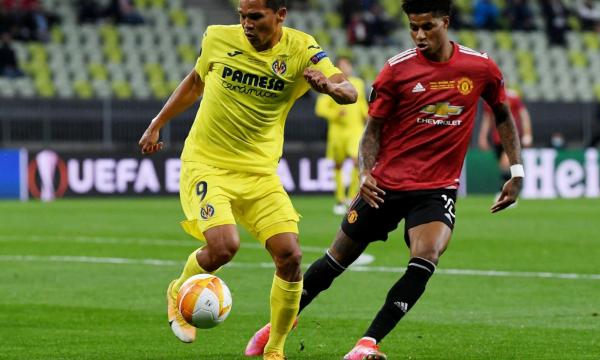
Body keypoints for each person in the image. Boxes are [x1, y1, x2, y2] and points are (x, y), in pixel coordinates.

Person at [244, 0, 524, 359]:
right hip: (385, 185)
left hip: (436, 188)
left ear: (446, 22)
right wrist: (366, 173)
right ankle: (278, 324)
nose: (419, 35)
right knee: (334, 262)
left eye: (427, 27)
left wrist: (516, 171)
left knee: (428, 255)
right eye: (413, 27)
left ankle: (367, 344)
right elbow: (372, 130)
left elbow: (502, 113)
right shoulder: (396, 71)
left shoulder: (479, 67)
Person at [137, 0, 357, 359]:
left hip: (260, 173)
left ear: (280, 15)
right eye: (242, 16)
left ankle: (274, 350)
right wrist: (156, 123)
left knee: (290, 255)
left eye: (254, 17)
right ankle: (179, 292)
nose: (246, 24)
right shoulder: (218, 38)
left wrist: (331, 89)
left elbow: (348, 90)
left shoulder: (303, 48)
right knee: (224, 247)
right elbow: (195, 82)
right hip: (208, 164)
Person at [314, 56, 368, 215]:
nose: (346, 68)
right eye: (342, 66)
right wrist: (336, 113)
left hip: (355, 130)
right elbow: (320, 109)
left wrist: (367, 114)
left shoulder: (357, 83)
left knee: (355, 161)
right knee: (338, 165)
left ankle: (351, 197)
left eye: (348, 65)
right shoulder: (330, 83)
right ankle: (339, 198)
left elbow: (361, 103)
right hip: (337, 133)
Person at [478, 87, 532, 190]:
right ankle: (512, 189)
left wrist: (527, 134)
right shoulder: (490, 99)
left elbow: (524, 115)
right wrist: (482, 137)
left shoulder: (513, 97)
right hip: (497, 138)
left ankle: (505, 191)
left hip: (512, 136)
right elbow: (487, 119)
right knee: (504, 166)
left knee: (505, 163)